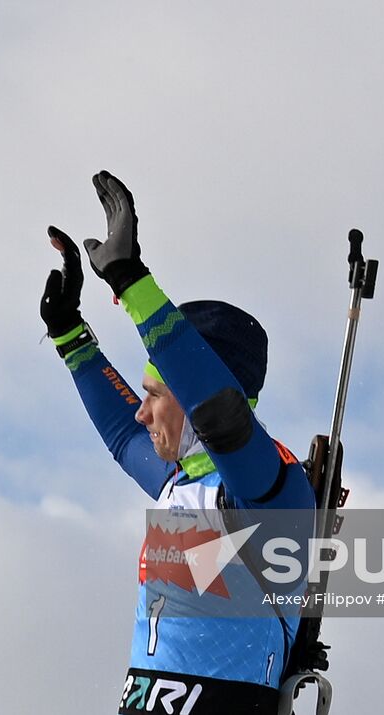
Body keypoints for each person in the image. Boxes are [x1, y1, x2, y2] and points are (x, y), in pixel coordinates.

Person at [43, 171, 314, 714]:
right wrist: (70, 335)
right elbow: (122, 434)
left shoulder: (268, 492)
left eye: (156, 394)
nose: (143, 411)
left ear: (195, 396)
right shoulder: (183, 483)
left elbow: (224, 419)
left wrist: (132, 283)